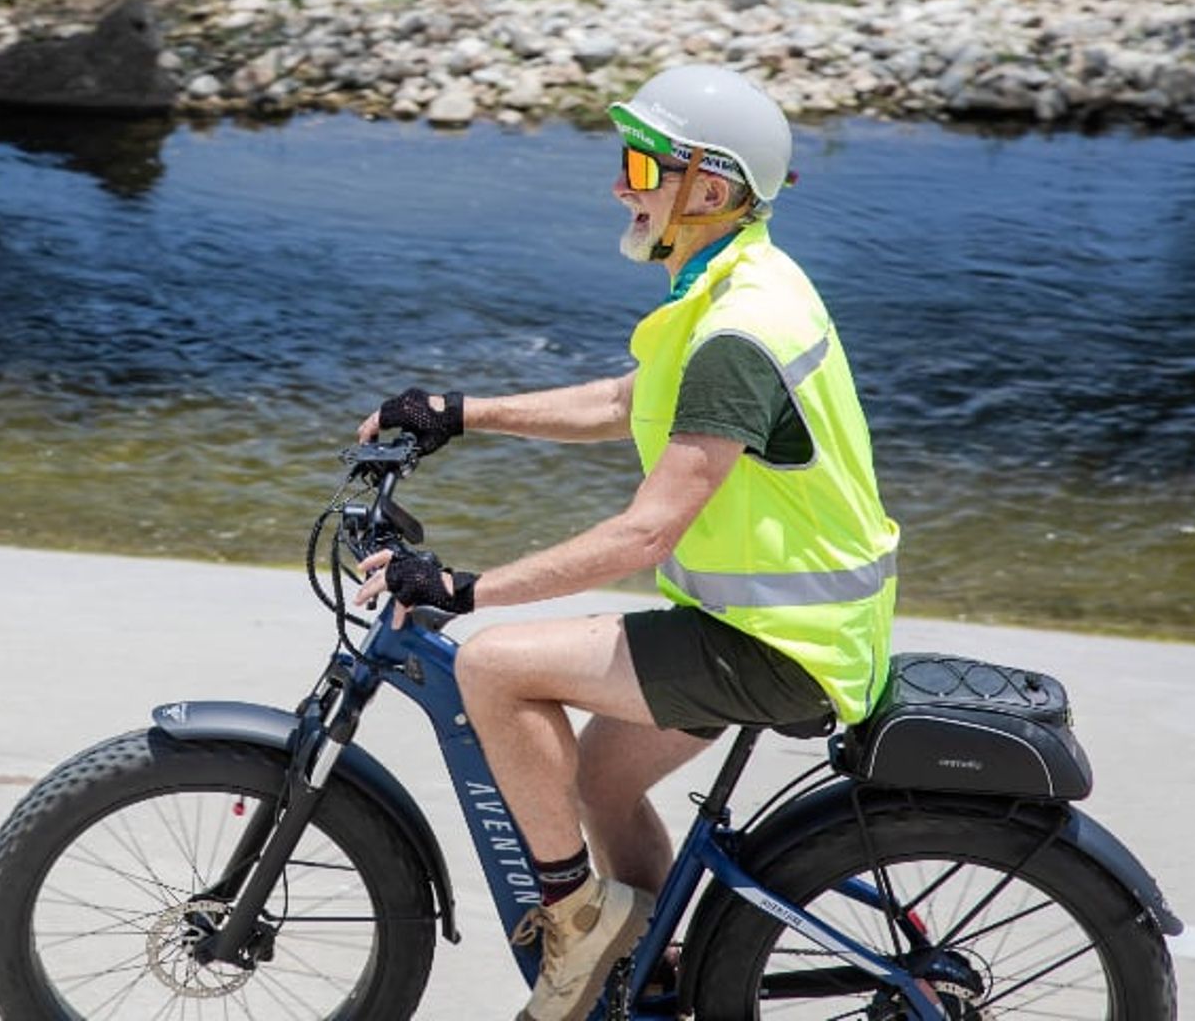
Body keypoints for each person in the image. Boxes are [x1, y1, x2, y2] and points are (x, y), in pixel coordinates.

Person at [354, 63, 899, 1021]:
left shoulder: (739, 326)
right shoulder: (734, 279)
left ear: (711, 189)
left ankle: (576, 921)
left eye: (643, 167)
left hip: (776, 645)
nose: (621, 184)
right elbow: (624, 401)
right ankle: (654, 971)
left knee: (493, 667)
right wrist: (457, 410)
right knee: (602, 785)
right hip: (770, 623)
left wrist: (465, 586)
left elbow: (648, 529)